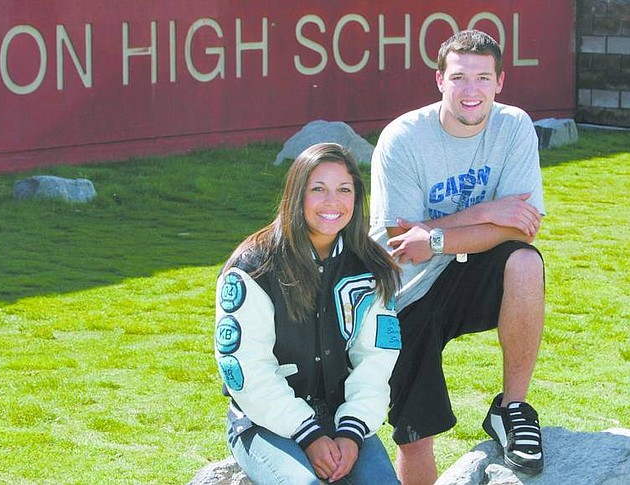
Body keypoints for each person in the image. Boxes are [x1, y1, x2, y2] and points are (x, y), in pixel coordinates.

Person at [369, 29, 546, 484]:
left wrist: (438, 238)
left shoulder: (514, 127)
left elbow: (520, 226)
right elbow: (400, 240)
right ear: (440, 80)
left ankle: (513, 408)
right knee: (416, 431)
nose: (472, 91)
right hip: (405, 290)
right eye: (460, 77)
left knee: (525, 261)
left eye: (483, 78)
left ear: (500, 82)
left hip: (463, 266)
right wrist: (486, 211)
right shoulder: (403, 138)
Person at [215, 142, 403, 484]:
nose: (333, 202)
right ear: (296, 195)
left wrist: (351, 432)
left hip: (342, 418)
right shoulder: (253, 267)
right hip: (263, 423)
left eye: (344, 189)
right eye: (319, 189)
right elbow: (247, 370)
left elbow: (377, 360)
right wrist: (310, 435)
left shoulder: (372, 267)